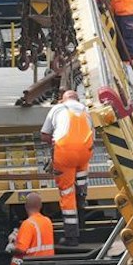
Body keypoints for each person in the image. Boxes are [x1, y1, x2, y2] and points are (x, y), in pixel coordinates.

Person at [39, 89, 93, 244]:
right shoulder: (86, 110)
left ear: (63, 100)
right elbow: (92, 134)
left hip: (65, 152)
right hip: (84, 153)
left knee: (67, 192)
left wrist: (53, 141)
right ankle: (81, 222)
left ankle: (71, 236)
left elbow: (44, 135)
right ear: (77, 99)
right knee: (80, 187)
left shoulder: (57, 108)